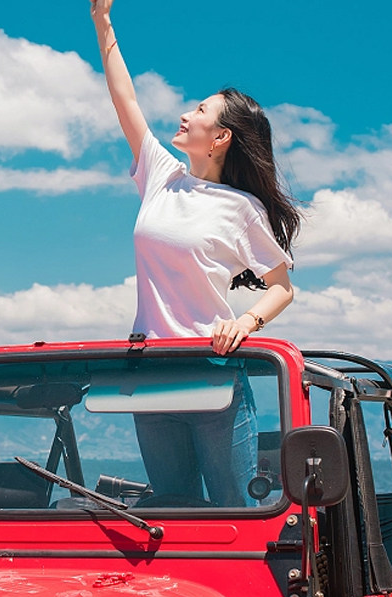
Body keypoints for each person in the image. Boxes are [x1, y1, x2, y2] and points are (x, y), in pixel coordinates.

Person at [90, 0, 301, 506]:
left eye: (200, 110)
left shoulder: (242, 208)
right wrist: (102, 21)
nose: (186, 114)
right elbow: (125, 99)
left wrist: (245, 323)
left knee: (234, 507)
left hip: (212, 371)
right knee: (174, 509)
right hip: (150, 372)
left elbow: (281, 287)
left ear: (221, 137)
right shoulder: (162, 176)